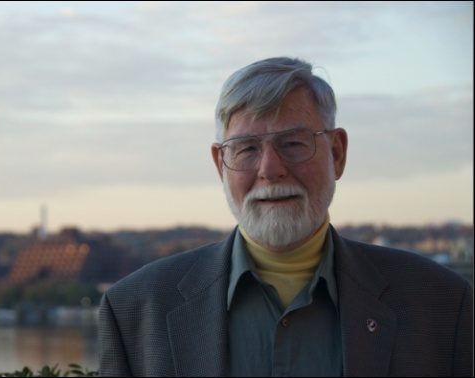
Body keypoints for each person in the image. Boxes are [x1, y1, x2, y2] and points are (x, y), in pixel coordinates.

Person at [98, 57, 473, 377]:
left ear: (338, 153)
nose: (270, 169)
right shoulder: (136, 310)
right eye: (246, 149)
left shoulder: (442, 305)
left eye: (293, 143)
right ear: (220, 164)